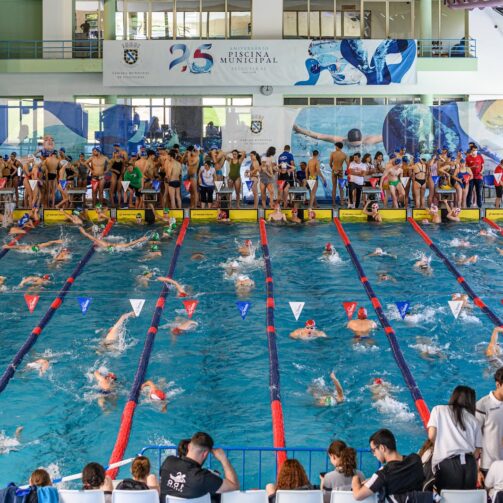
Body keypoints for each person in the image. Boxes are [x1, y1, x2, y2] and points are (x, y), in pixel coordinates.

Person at [427, 385, 482, 491]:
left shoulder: (438, 410)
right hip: (469, 466)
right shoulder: (474, 420)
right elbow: (477, 452)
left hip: (448, 465)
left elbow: (431, 435)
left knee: (446, 498)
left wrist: (440, 444)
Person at [160, 431, 239, 500]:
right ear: (205, 454)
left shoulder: (169, 461)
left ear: (189, 446)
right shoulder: (204, 478)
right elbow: (234, 487)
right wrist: (224, 459)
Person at [351, 429, 424, 501]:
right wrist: (372, 480)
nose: (374, 455)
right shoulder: (415, 459)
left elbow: (358, 495)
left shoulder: (384, 474)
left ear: (382, 448)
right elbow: (399, 473)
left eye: (373, 450)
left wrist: (355, 477)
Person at [476, 367, 503, 484]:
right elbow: (473, 438)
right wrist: (477, 471)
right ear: (498, 384)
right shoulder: (483, 405)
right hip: (488, 466)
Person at [79, 226, 147, 249]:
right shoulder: (116, 246)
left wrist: (82, 231)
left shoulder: (103, 244)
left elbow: (89, 236)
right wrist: (140, 239)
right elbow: (130, 244)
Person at [329, 142, 348, 206]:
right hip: (340, 171)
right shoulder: (344, 155)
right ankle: (342, 202)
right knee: (341, 187)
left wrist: (333, 169)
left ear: (337, 147)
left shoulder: (333, 153)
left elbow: (330, 163)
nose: (335, 147)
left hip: (334, 170)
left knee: (334, 187)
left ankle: (333, 203)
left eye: (335, 146)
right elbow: (348, 164)